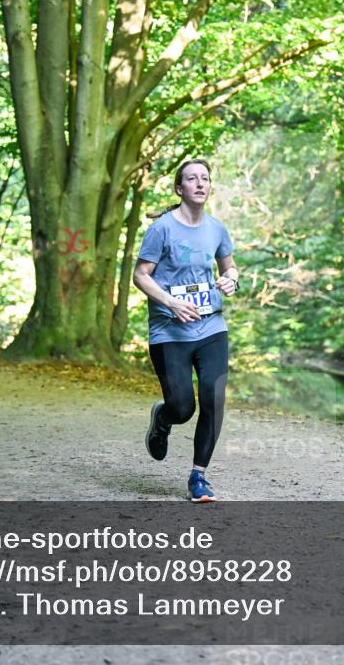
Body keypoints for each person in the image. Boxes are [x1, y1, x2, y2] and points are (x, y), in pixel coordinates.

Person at [132, 159, 240, 503]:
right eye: (191, 179)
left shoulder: (216, 229)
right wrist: (171, 303)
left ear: (209, 187)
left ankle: (198, 476)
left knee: (213, 396)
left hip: (211, 327)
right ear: (179, 189)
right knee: (183, 408)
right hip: (169, 332)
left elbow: (230, 266)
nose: (199, 183)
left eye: (205, 178)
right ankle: (163, 417)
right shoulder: (161, 229)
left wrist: (231, 280)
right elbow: (140, 275)